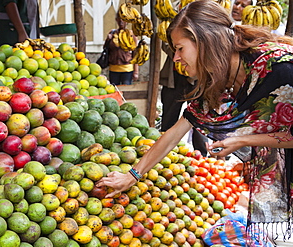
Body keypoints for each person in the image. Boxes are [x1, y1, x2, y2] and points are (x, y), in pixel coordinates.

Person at [97, 0, 293, 243]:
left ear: (205, 41)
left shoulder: (280, 67)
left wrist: (244, 139)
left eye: (180, 48)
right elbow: (176, 130)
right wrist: (133, 175)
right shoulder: (223, 78)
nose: (176, 57)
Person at [160, 42, 208, 157]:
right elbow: (164, 44)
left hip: (195, 80)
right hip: (174, 79)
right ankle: (163, 151)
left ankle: (202, 154)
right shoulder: (173, 31)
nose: (177, 56)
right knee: (169, 116)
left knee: (199, 118)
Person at [103, 13, 139, 85]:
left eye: (123, 19)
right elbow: (105, 48)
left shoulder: (131, 34)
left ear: (127, 21)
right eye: (119, 19)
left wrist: (136, 72)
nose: (121, 21)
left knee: (126, 91)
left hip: (127, 69)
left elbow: (136, 54)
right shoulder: (112, 33)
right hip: (113, 68)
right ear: (116, 20)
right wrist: (108, 39)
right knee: (114, 89)